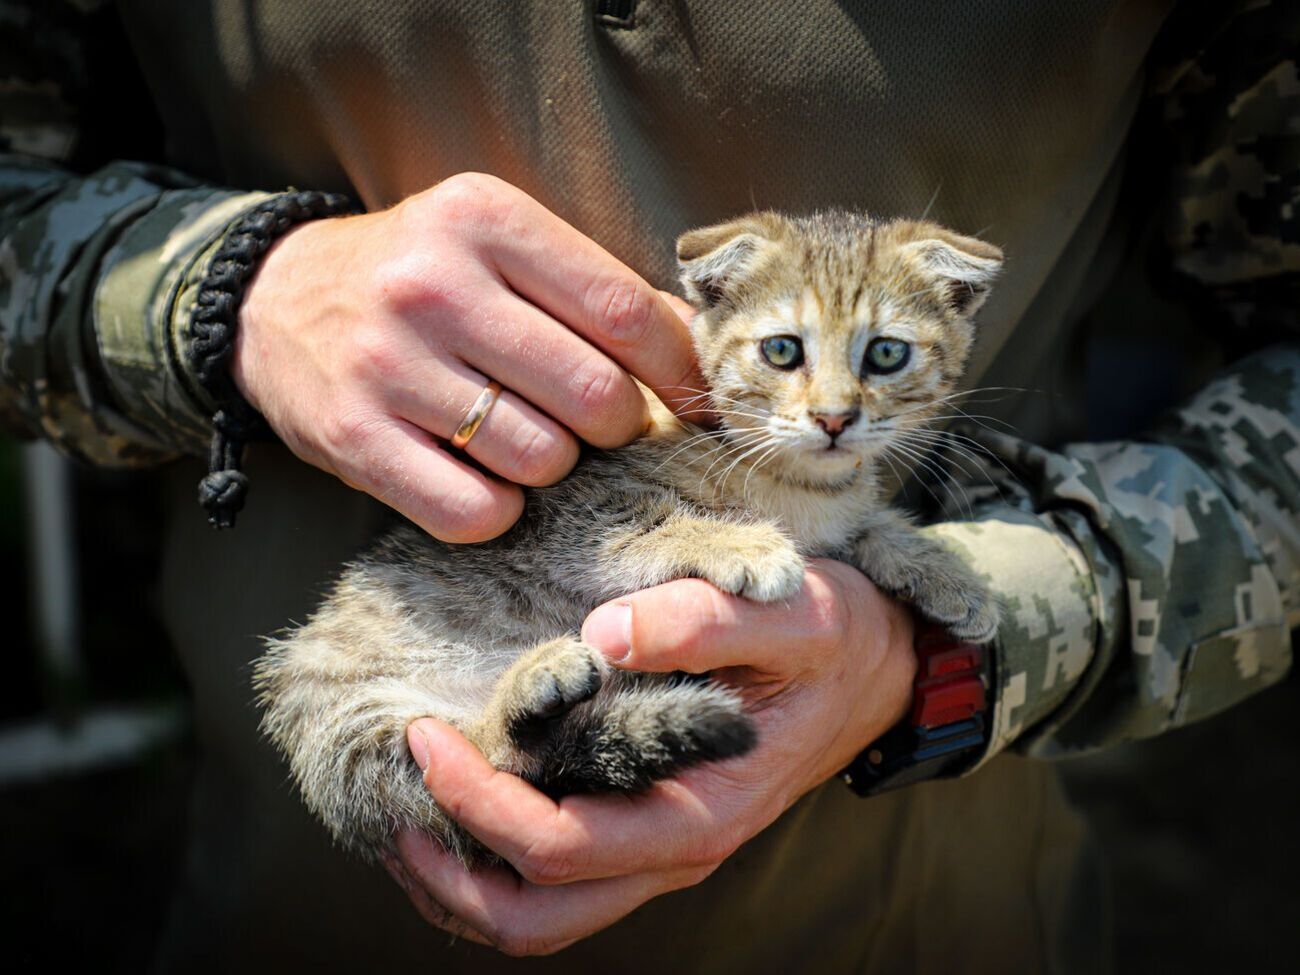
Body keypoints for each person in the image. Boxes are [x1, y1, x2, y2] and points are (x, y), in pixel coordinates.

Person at [2, 0, 1296, 970]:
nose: (832, 406)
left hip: (914, 920)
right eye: (789, 359)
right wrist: (225, 292)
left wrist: (964, 631)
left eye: (881, 362)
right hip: (302, 905)